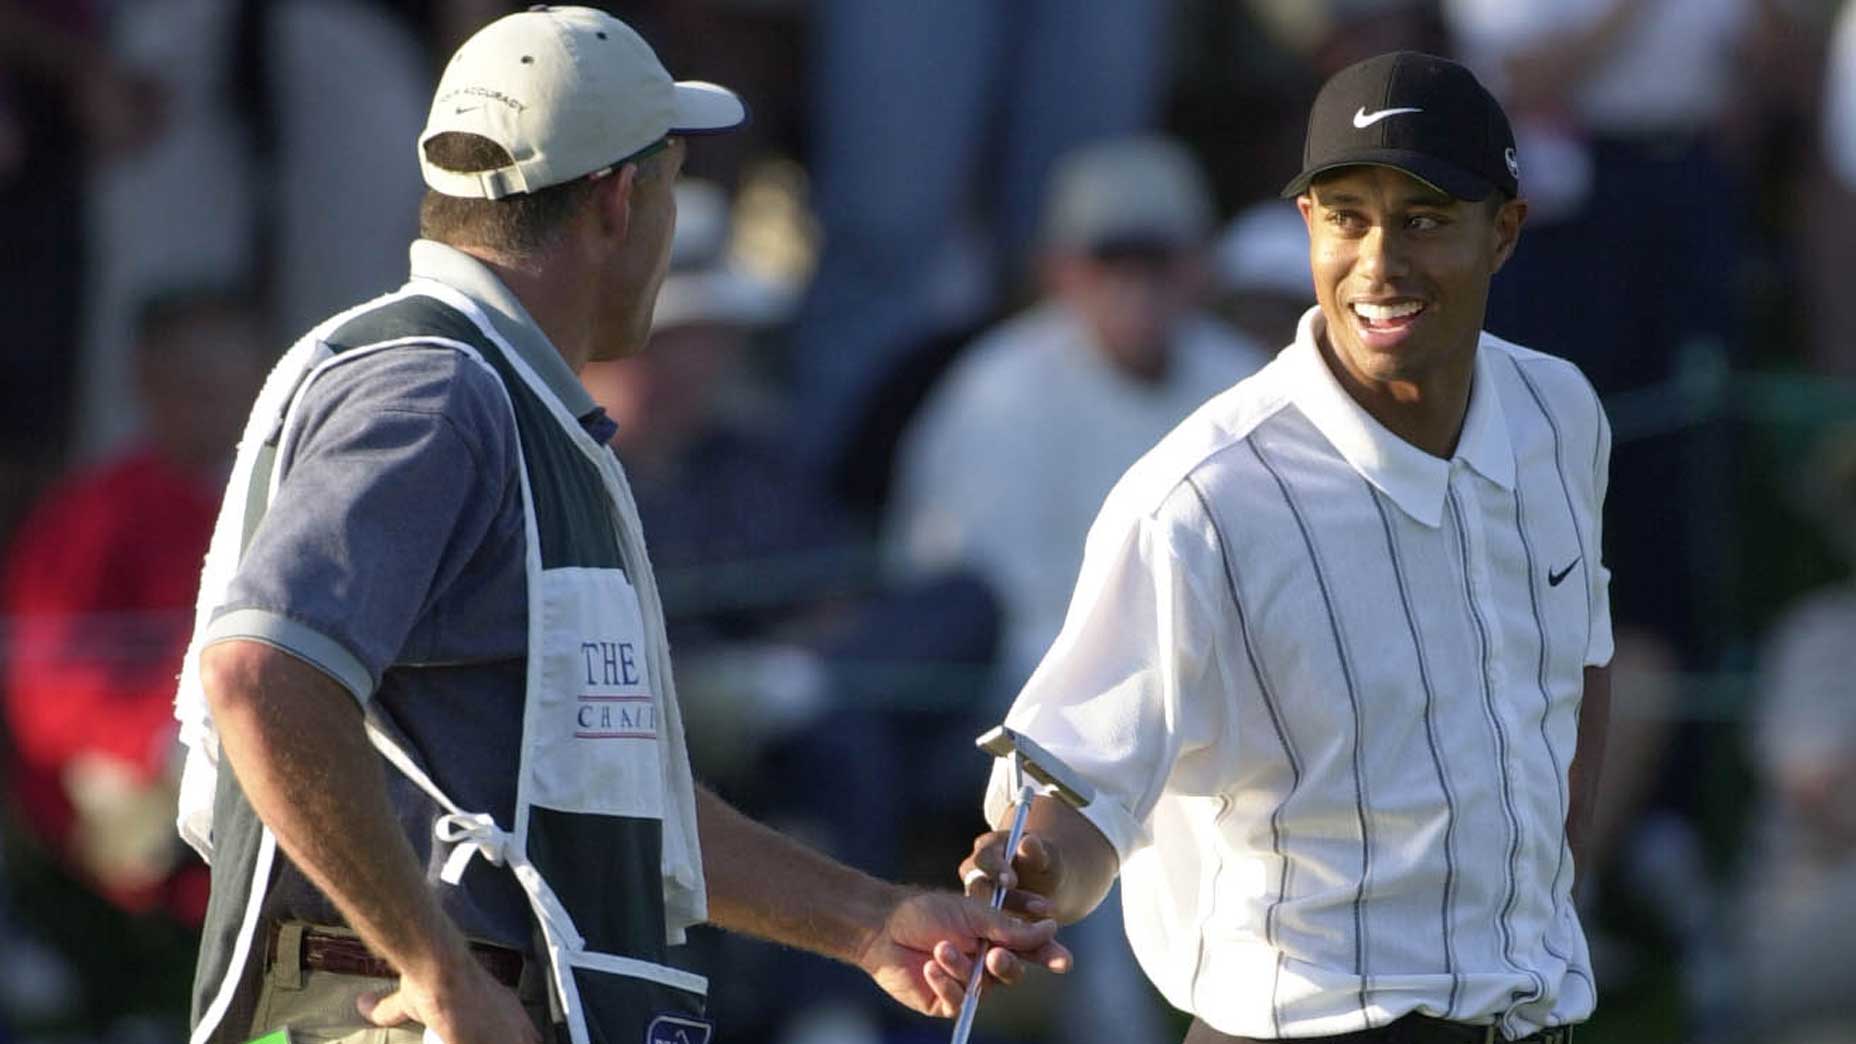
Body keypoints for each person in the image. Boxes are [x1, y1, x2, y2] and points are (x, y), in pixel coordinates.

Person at [173, 9, 1068, 1044]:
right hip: (396, 1015)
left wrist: (872, 924)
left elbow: (615, 797)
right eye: (673, 186)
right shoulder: (436, 394)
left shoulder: (500, 398)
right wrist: (444, 973)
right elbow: (261, 676)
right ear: (618, 199)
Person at [958, 51, 1612, 1044]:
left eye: (1424, 218)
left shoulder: (1558, 412)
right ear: (1307, 227)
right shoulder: (1198, 498)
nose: (1378, 260)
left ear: (1503, 231)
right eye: (1346, 216)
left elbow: (1579, 662)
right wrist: (1035, 873)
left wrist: (1546, 887)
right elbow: (1075, 785)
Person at [888, 135, 1268, 696]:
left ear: (1198, 267)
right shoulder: (998, 393)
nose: (1134, 287)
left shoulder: (1246, 384)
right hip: (1031, 716)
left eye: (1155, 260)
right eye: (1110, 261)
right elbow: (986, 611)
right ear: (1059, 270)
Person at [5, 288, 265, 926]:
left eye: (229, 384)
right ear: (146, 382)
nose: (215, 406)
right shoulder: (93, 514)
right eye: (192, 385)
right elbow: (47, 687)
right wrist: (165, 737)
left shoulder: (291, 505)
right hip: (138, 850)